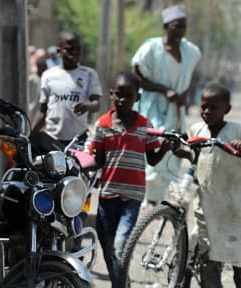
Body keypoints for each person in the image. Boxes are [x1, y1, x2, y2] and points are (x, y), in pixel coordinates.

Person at [87, 72, 175, 287]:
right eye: (119, 94)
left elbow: (152, 159)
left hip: (132, 196)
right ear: (111, 95)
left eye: (129, 95)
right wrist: (80, 162)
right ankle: (121, 283)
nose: (123, 100)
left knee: (120, 246)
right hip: (107, 194)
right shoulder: (103, 124)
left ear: (138, 98)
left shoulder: (145, 125)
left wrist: (164, 147)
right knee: (107, 246)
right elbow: (96, 160)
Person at [189, 83, 241, 288]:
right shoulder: (197, 130)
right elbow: (192, 157)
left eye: (213, 107)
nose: (207, 111)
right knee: (208, 265)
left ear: (227, 109)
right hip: (207, 211)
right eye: (203, 106)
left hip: (236, 212)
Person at [131, 4, 201, 206]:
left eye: (183, 26)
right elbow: (137, 77)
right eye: (176, 26)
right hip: (151, 105)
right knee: (154, 144)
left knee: (173, 147)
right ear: (166, 26)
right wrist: (163, 90)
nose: (180, 30)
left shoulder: (190, 51)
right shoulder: (151, 47)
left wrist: (182, 96)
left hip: (174, 110)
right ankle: (145, 198)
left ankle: (158, 200)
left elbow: (187, 80)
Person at [32, 30, 102, 146]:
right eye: (69, 49)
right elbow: (43, 111)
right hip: (52, 139)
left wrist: (87, 106)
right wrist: (30, 135)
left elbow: (96, 104)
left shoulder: (88, 74)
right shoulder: (48, 75)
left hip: (78, 140)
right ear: (59, 51)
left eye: (77, 49)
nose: (74, 53)